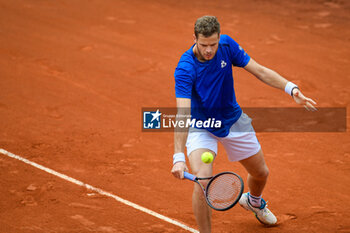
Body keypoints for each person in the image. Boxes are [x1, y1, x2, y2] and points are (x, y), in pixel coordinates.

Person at [171, 16, 317, 233]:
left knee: (260, 173)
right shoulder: (185, 68)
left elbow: (260, 70)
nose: (209, 50)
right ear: (194, 39)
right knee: (203, 182)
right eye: (204, 45)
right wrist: (178, 157)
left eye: (213, 44)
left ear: (219, 38)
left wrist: (291, 88)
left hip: (233, 120)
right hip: (202, 126)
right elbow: (183, 113)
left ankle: (253, 202)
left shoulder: (227, 45)